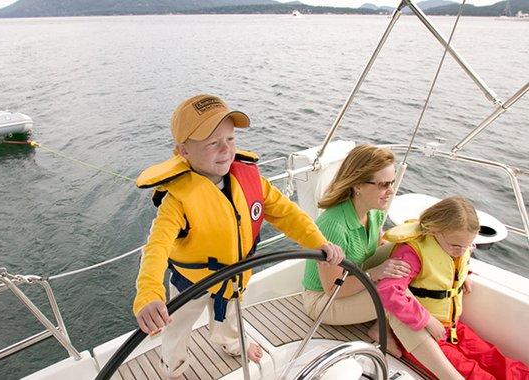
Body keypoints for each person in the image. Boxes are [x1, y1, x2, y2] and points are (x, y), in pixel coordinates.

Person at [133, 93, 344, 379]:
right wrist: (149, 294)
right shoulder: (177, 201)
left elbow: (287, 214)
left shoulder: (252, 181)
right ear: (183, 151)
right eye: (212, 143)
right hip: (189, 283)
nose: (225, 149)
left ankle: (232, 343)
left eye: (230, 139)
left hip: (235, 275)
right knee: (177, 326)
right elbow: (156, 247)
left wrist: (318, 242)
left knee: (231, 316)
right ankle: (174, 366)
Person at [378, 196, 529, 379]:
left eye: (467, 246)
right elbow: (389, 291)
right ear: (434, 230)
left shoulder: (455, 248)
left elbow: (448, 268)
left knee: (493, 357)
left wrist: (463, 275)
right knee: (471, 371)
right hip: (422, 333)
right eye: (456, 246)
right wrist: (427, 320)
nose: (462, 251)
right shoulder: (412, 253)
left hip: (453, 328)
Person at [301, 144, 410, 356]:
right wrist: (376, 274)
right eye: (383, 185)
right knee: (394, 297)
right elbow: (333, 290)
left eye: (392, 183)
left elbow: (377, 247)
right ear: (358, 185)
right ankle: (385, 330)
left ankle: (382, 326)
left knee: (406, 251)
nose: (391, 191)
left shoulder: (374, 212)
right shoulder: (333, 225)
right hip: (323, 301)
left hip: (353, 276)